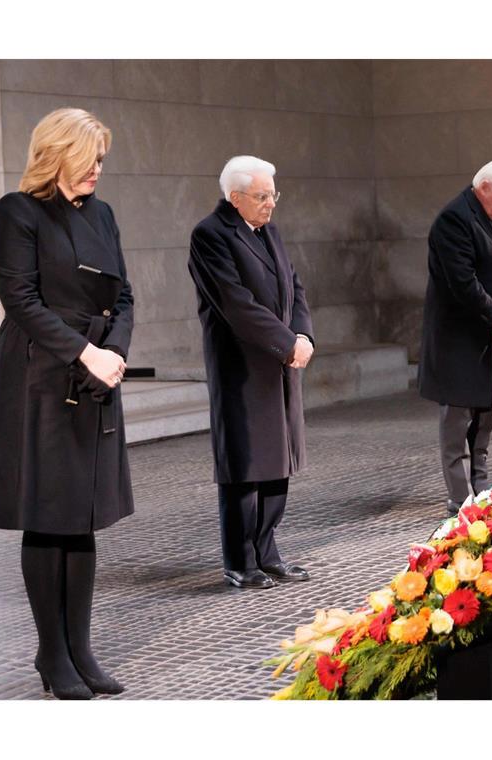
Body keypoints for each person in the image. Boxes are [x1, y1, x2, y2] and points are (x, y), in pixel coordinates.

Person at [0, 107, 133, 699]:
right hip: (40, 376)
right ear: (58, 152)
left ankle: (81, 650)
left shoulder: (103, 214)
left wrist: (114, 353)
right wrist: (83, 353)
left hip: (97, 372)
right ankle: (53, 656)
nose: (98, 168)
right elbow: (20, 299)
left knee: (84, 514)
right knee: (49, 515)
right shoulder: (17, 212)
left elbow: (123, 295)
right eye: (90, 157)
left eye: (101, 158)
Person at [189, 156, 314, 590]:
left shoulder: (270, 233)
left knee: (277, 460)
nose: (270, 204)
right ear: (235, 197)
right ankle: (239, 560)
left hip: (280, 362)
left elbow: (294, 287)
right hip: (241, 368)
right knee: (245, 465)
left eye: (273, 194)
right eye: (262, 196)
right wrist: (286, 343)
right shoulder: (210, 235)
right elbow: (236, 303)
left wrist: (303, 336)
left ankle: (267, 551)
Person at [419, 160, 492, 513]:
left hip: (489, 332)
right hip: (458, 337)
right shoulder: (454, 220)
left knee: (484, 417)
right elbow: (462, 282)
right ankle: (460, 498)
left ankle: (482, 489)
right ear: (484, 189)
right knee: (458, 420)